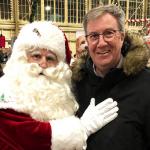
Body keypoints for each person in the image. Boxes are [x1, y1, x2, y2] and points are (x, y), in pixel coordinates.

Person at [0, 21, 118, 150]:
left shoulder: (62, 92)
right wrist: (82, 128)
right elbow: (24, 134)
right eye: (36, 56)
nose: (43, 64)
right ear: (23, 58)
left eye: (50, 58)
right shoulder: (6, 89)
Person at [72, 4, 150, 150]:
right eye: (94, 36)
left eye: (108, 33)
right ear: (87, 41)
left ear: (122, 36)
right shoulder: (74, 84)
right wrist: (79, 131)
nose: (101, 43)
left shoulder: (146, 85)